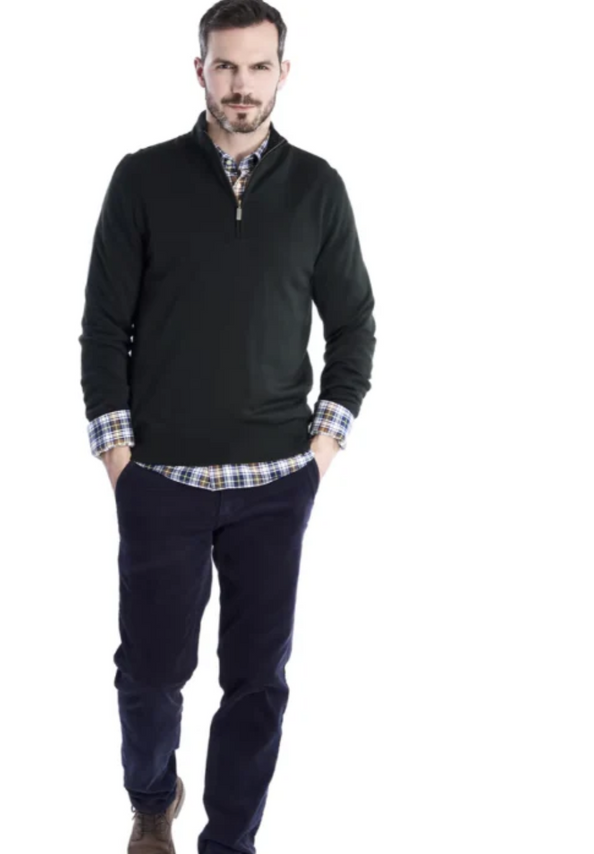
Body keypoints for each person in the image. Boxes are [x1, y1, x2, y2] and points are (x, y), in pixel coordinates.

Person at [78, 1, 376, 851]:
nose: (241, 85)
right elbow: (104, 326)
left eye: (258, 66)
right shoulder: (143, 178)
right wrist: (119, 457)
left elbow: (353, 326)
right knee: (149, 673)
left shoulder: (317, 188)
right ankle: (151, 799)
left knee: (257, 682)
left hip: (276, 482)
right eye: (225, 66)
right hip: (161, 480)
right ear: (199, 70)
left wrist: (323, 450)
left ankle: (231, 842)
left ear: (284, 72)